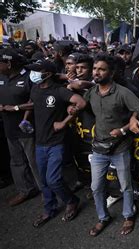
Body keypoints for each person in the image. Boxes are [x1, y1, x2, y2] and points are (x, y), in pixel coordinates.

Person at [84, 55, 139, 237]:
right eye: (95, 68)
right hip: (98, 149)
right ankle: (103, 218)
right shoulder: (91, 92)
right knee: (96, 187)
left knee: (125, 185)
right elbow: (82, 104)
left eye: (101, 69)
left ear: (111, 73)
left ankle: (129, 215)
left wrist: (124, 129)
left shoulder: (122, 92)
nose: (96, 72)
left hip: (120, 148)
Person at [27, 59, 86, 227]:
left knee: (53, 179)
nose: (34, 74)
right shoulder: (35, 90)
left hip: (56, 143)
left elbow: (81, 103)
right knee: (44, 181)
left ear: (47, 74)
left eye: (37, 71)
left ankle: (71, 201)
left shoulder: (59, 91)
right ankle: (49, 209)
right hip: (40, 143)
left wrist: (65, 121)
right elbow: (32, 106)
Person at [0, 49, 41, 206]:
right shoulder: (2, 77)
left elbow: (36, 101)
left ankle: (47, 191)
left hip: (27, 127)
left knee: (34, 161)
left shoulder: (29, 77)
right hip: (9, 129)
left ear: (9, 63)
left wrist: (17, 109)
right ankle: (26, 190)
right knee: (16, 161)